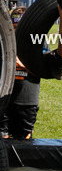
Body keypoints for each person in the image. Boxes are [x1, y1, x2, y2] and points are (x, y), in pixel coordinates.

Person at [1, 8, 41, 141]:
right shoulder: (4, 42)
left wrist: (20, 62)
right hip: (5, 100)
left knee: (23, 144)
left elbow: (43, 68)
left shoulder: (37, 41)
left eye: (20, 27)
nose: (17, 31)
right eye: (14, 27)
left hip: (27, 102)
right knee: (2, 142)